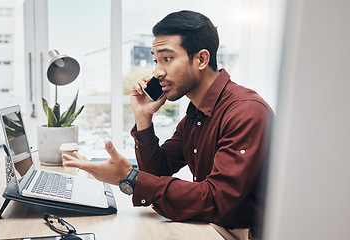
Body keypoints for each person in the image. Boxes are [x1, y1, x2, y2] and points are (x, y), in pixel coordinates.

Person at [63, 10, 273, 240]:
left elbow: (217, 199)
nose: (157, 72)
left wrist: (130, 178)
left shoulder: (245, 111)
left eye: (167, 58)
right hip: (212, 223)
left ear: (201, 59)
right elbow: (158, 171)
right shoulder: (196, 113)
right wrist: (143, 118)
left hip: (245, 233)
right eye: (155, 60)